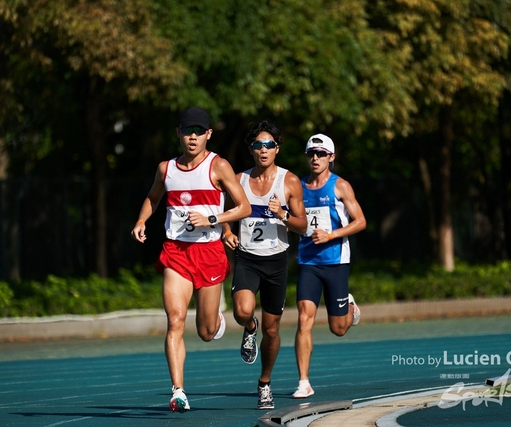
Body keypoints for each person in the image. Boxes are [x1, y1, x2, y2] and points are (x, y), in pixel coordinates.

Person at [130, 106, 251, 413]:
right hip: (176, 253)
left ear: (208, 134)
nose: (193, 137)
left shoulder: (218, 166)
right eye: (188, 131)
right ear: (179, 134)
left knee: (206, 332)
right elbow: (153, 198)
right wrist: (141, 221)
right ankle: (178, 390)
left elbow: (244, 208)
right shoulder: (165, 169)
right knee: (174, 320)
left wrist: (213, 218)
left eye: (199, 131)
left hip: (209, 253)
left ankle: (217, 320)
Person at [222, 119, 307, 409]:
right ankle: (249, 326)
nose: (263, 149)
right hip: (247, 257)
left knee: (272, 331)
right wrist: (227, 232)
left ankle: (264, 383)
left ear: (277, 150)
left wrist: (282, 214)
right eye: (258, 144)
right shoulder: (240, 179)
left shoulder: (290, 181)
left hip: (276, 261)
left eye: (269, 145)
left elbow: (303, 226)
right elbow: (226, 212)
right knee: (242, 310)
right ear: (251, 149)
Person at [292, 134, 366, 399]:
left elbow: (360, 221)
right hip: (308, 262)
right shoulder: (297, 187)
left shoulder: (341, 186)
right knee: (303, 318)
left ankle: (350, 305)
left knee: (338, 329)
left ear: (331, 158)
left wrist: (331, 235)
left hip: (335, 261)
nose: (315, 158)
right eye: (311, 153)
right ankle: (303, 382)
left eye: (321, 154)